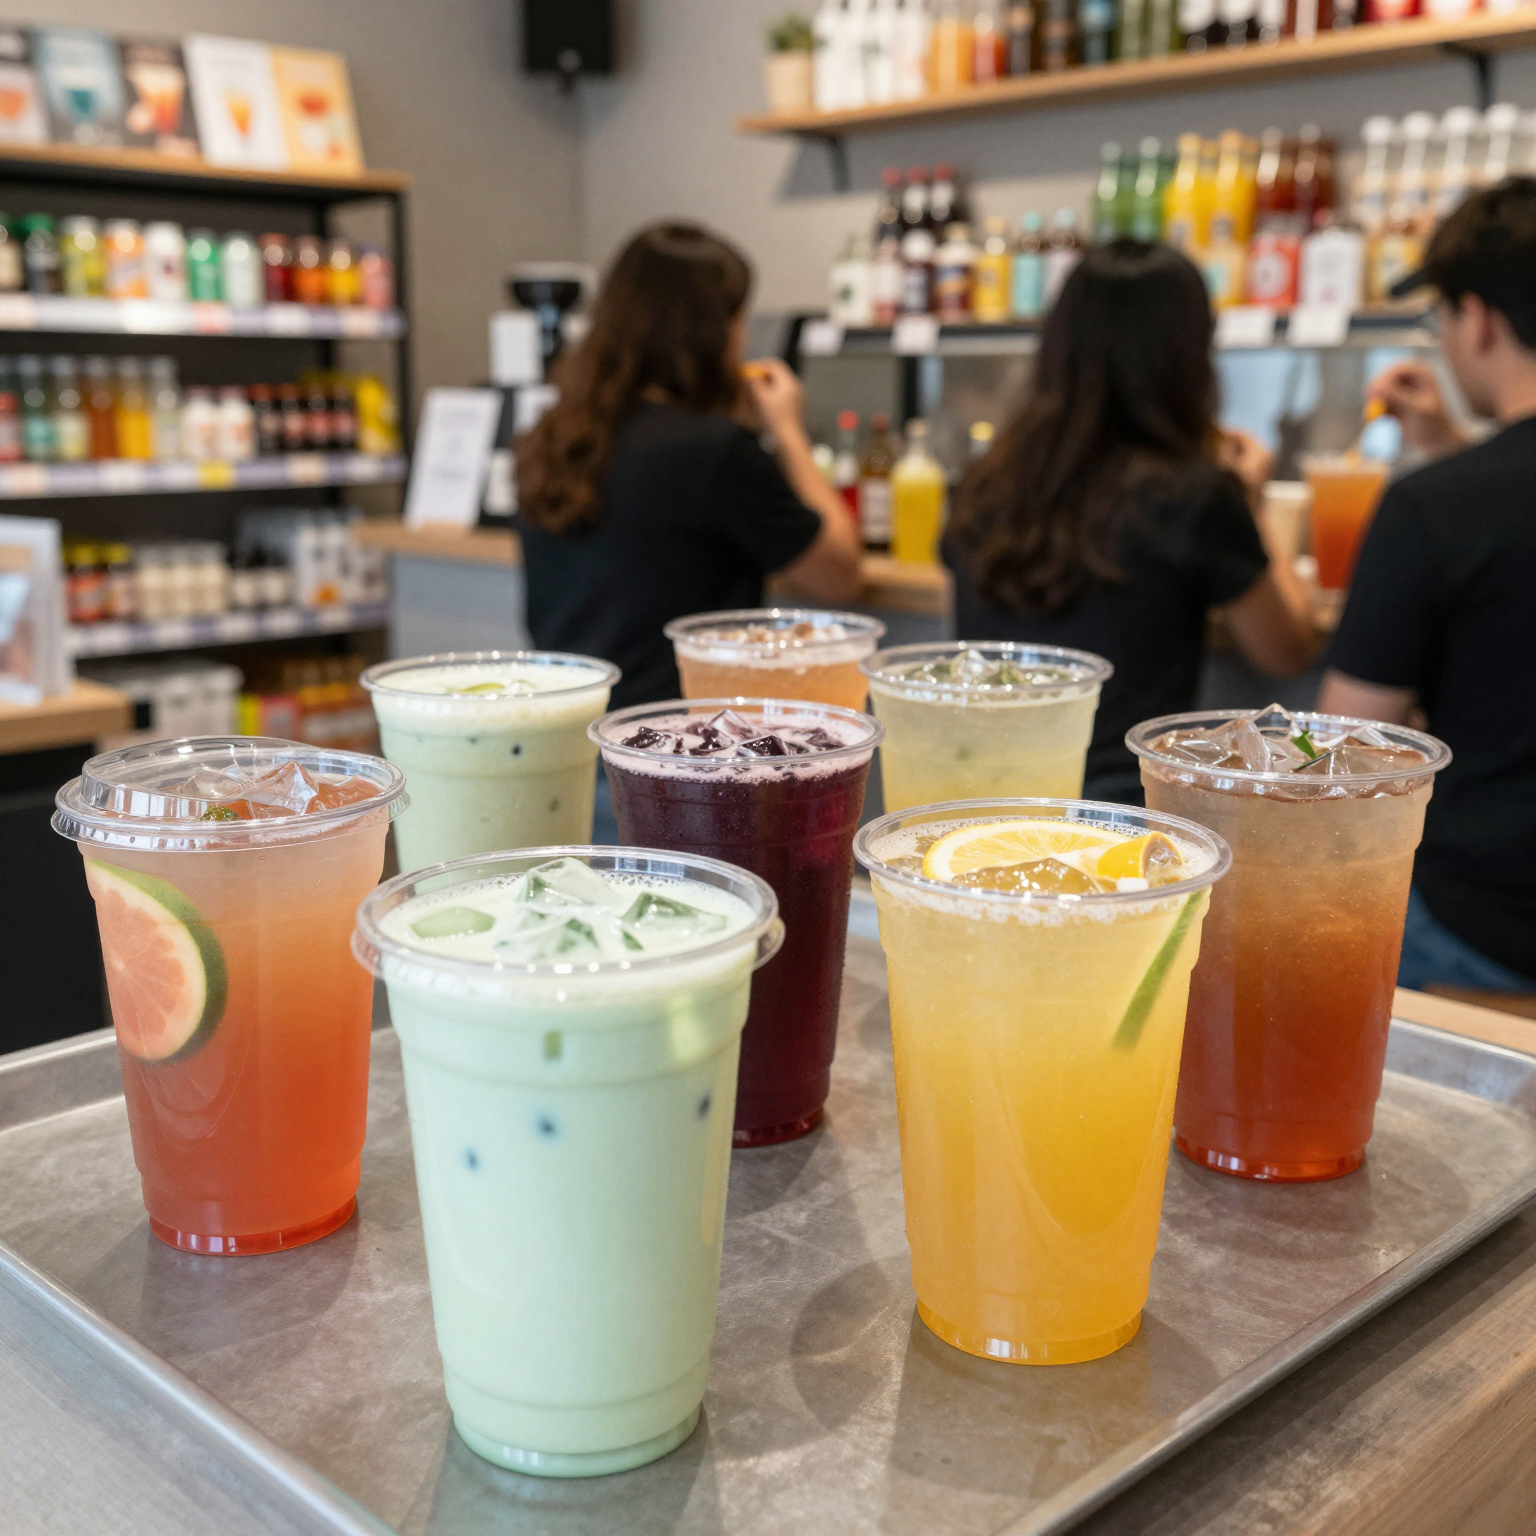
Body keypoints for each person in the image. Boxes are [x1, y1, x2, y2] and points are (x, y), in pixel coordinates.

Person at [943, 239, 1316, 802]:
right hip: (1124, 816)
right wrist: (1253, 501)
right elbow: (1285, 648)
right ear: (1188, 358)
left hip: (984, 797)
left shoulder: (986, 482)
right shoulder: (1195, 494)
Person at [1318, 178, 1536, 995]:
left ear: (1478, 319)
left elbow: (1339, 753)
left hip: (1482, 931)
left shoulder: (1431, 508)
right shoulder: (1454, 496)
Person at [517, 222, 861, 710]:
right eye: (738, 320)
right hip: (678, 738)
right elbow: (839, 574)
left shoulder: (553, 434)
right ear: (710, 332)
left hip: (571, 723)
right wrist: (788, 429)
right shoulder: (715, 450)